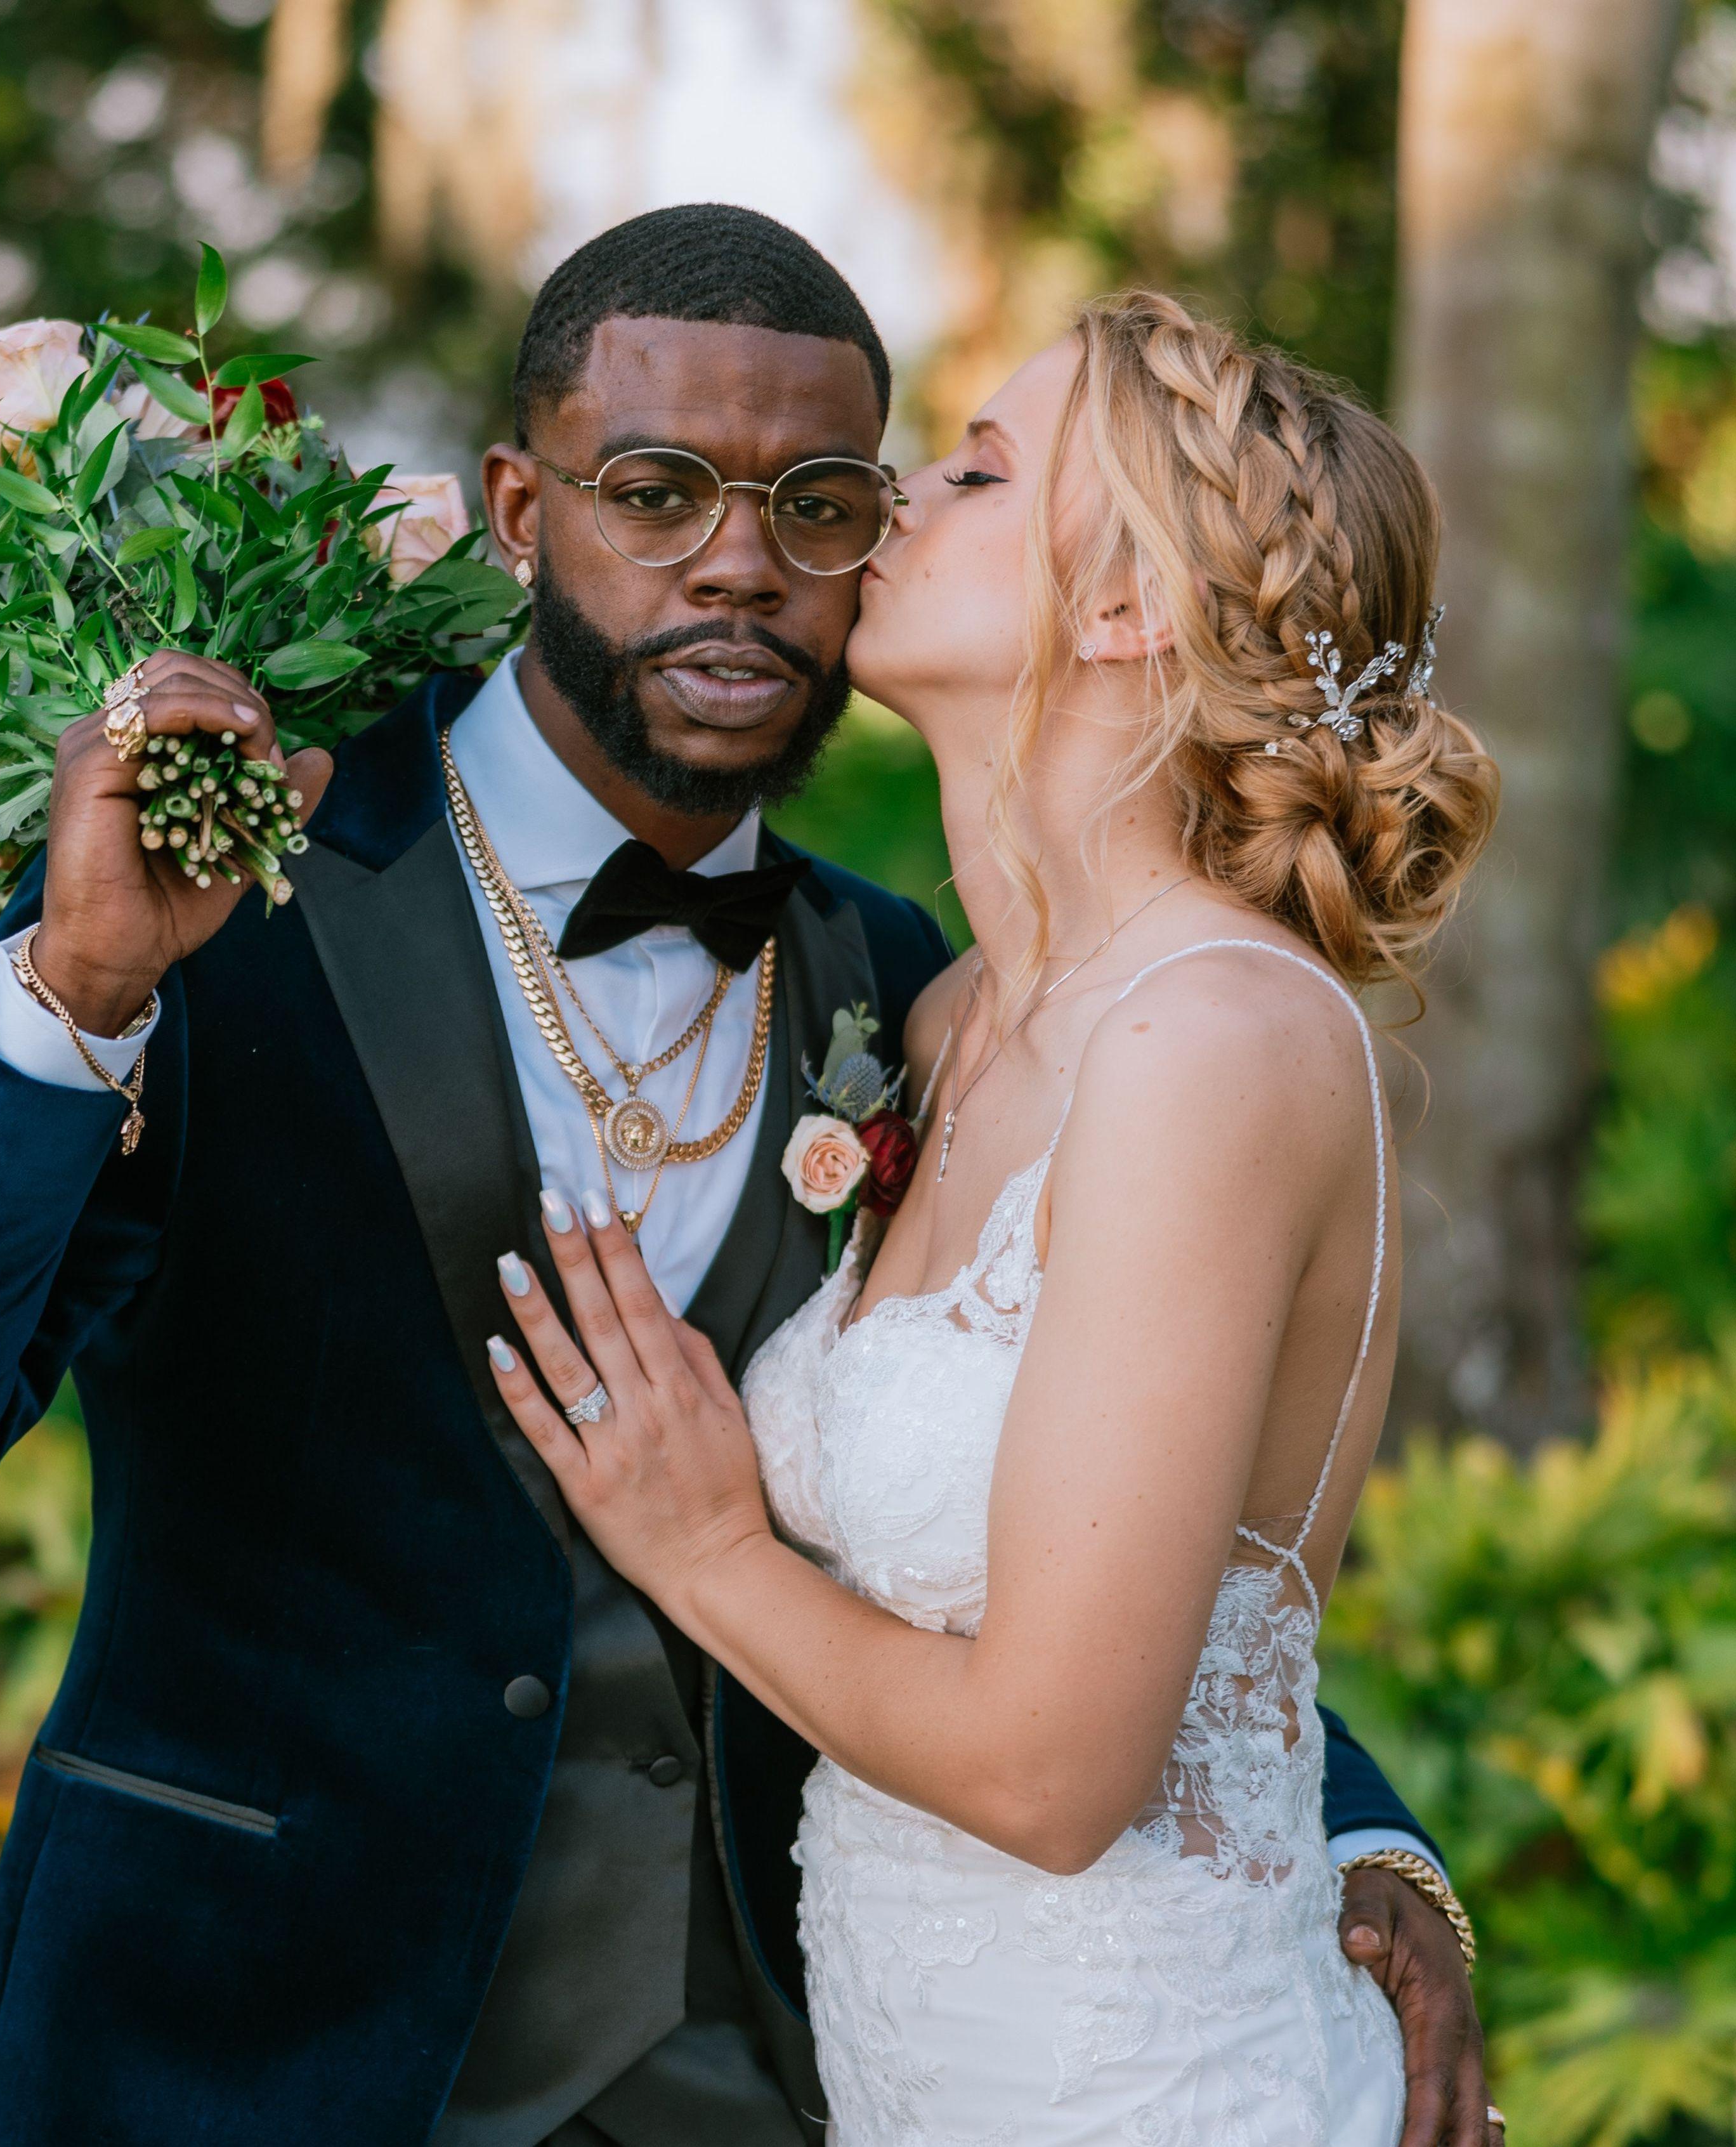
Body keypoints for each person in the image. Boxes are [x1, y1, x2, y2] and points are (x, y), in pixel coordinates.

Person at [0, 211, 1485, 2146]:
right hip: (224, 2060)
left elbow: (1091, 1528)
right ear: (518, 507)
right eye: (656, 492)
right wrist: (77, 993)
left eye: (825, 502)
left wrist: (1353, 1841)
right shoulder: (209, 882)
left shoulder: (914, 987)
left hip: (758, 2089)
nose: (741, 561)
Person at [480, 290, 1502, 2144]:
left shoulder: (1214, 1038)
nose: (893, 496)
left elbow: (1053, 1770)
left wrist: (705, 1550)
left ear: (1126, 609)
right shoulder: (938, 1016)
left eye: (975, 470)